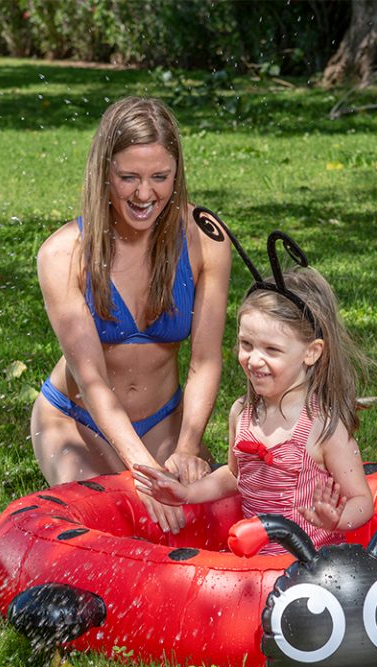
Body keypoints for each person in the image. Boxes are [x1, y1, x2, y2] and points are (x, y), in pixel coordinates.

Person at [30, 97, 232, 536]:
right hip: (75, 421)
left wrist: (187, 447)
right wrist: (144, 471)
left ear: (176, 175)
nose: (145, 194)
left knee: (201, 524)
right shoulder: (63, 254)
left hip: (165, 420)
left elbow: (205, 360)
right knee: (108, 528)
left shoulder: (204, 238)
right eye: (129, 178)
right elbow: (92, 380)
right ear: (104, 174)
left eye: (160, 177)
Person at [132, 260, 374, 554]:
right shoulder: (242, 414)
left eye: (271, 350)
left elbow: (362, 501)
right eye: (247, 344)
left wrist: (336, 520)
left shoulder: (324, 427)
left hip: (311, 571)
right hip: (253, 565)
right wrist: (187, 494)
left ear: (311, 352)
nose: (254, 359)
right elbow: (235, 476)